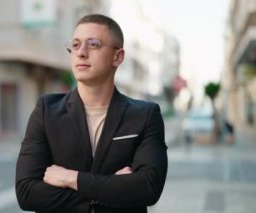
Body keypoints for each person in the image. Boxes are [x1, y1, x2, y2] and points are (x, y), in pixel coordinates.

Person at [15, 14, 168, 213]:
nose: (81, 52)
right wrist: (110, 190)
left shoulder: (145, 115)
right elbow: (27, 193)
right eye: (75, 45)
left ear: (117, 57)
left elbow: (148, 188)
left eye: (93, 44)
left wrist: (70, 178)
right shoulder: (46, 110)